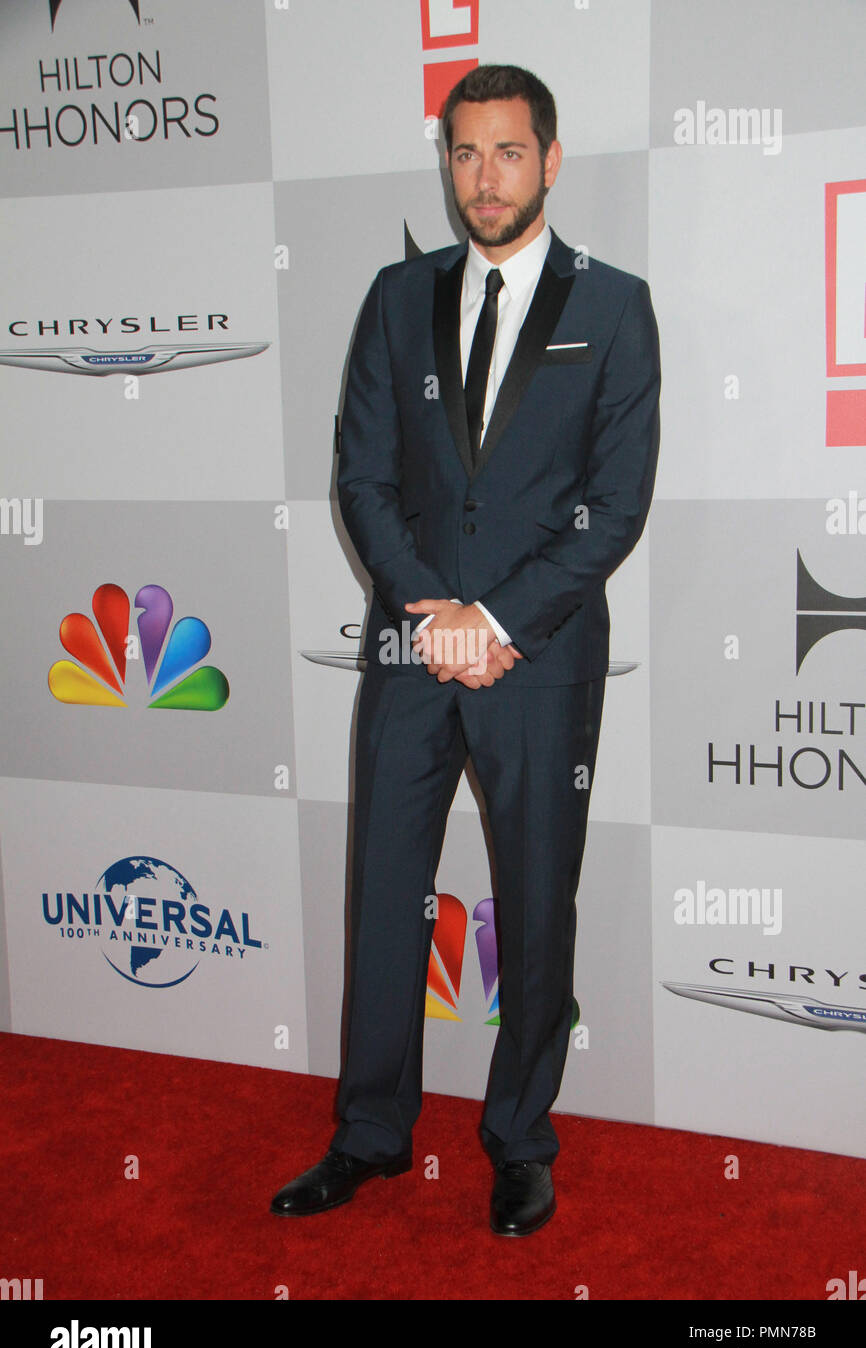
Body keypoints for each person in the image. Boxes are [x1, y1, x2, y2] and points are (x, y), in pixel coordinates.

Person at [271, 65, 660, 1236]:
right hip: (408, 651)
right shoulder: (397, 298)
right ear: (444, 163)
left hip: (538, 659)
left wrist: (491, 624)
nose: (482, 177)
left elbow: (614, 504)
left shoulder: (615, 306)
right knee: (384, 891)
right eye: (463, 153)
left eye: (506, 151)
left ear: (549, 160)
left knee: (535, 904)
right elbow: (361, 476)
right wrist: (432, 608)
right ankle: (370, 1133)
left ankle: (519, 1141)